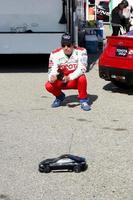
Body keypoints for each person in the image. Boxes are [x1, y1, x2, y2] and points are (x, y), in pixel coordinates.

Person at [45, 32, 90, 111]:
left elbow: (82, 68)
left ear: (73, 45)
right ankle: (60, 97)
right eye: (63, 45)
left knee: (82, 78)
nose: (66, 48)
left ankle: (83, 100)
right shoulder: (54, 54)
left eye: (69, 45)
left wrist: (69, 77)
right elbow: (52, 69)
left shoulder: (82, 51)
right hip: (62, 80)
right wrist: (52, 77)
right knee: (48, 85)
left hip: (74, 80)